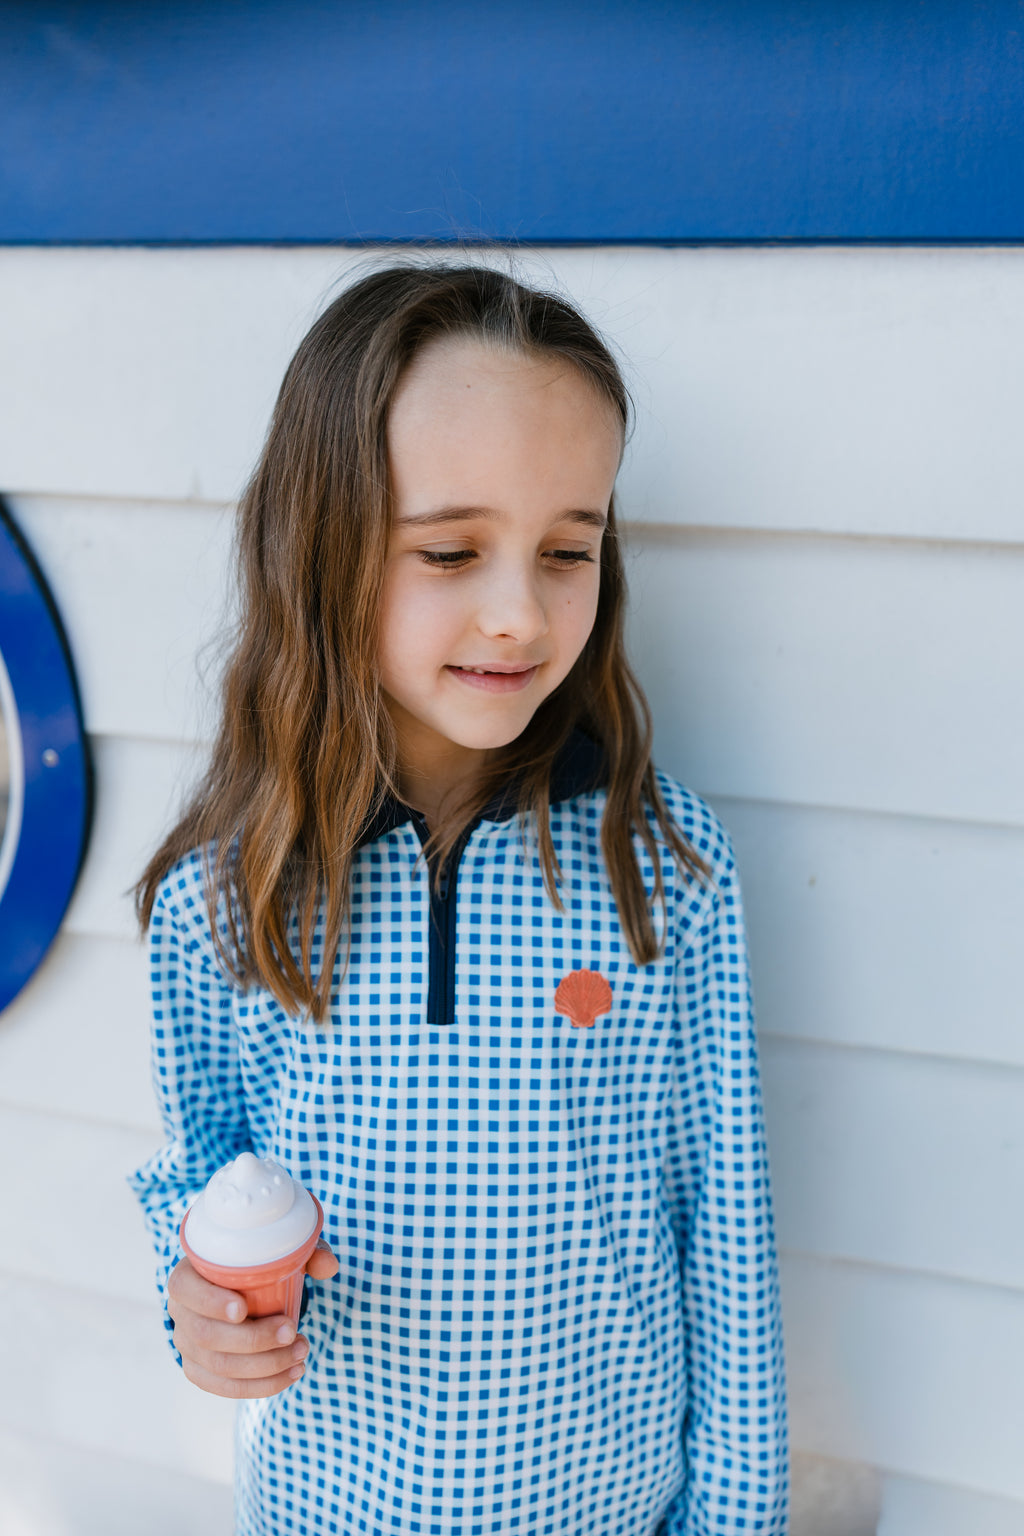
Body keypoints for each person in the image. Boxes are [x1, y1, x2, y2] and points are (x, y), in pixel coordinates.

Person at [130, 263, 789, 1536]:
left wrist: (732, 1518)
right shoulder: (226, 891)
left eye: (566, 551)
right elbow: (201, 1176)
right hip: (331, 1508)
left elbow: (728, 1233)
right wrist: (197, 1311)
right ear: (318, 547)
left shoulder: (660, 867)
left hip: (614, 1508)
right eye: (450, 549)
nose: (519, 613)